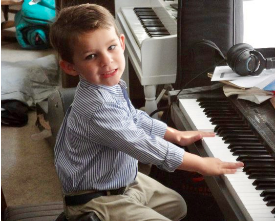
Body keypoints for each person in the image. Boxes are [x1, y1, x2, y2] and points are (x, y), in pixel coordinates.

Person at [50, 4, 244, 221]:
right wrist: (199, 164)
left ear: (121, 43)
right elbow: (141, 144)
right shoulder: (97, 108)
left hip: (121, 180)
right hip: (95, 199)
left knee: (177, 206)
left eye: (111, 47)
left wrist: (173, 134)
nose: (106, 61)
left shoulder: (108, 86)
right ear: (70, 67)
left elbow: (133, 117)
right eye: (91, 56)